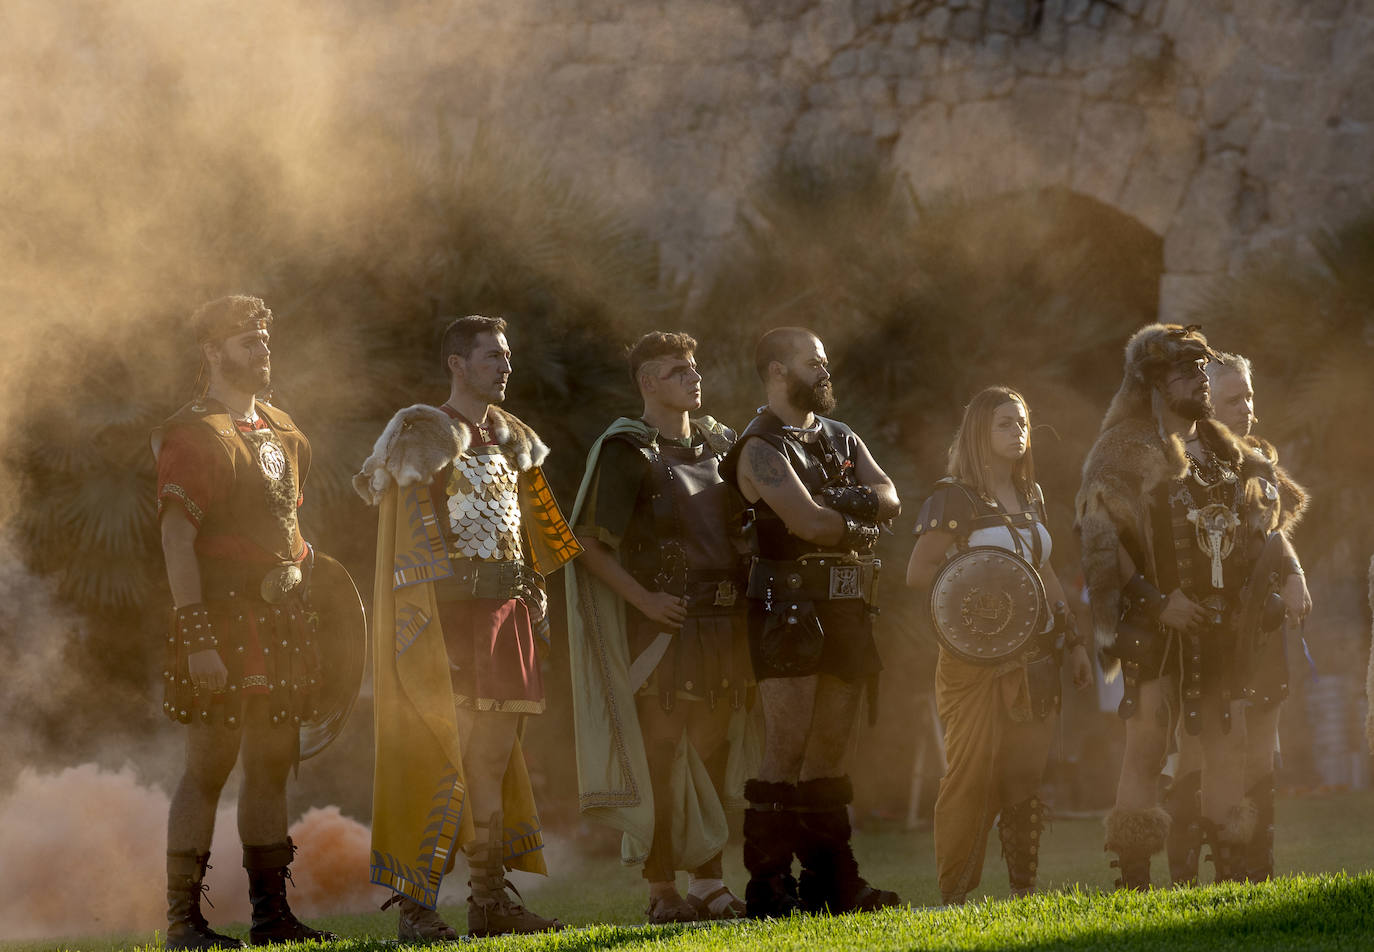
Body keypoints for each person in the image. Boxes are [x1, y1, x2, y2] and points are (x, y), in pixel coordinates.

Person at [354, 315, 580, 939]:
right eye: (491, 356)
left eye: (507, 356)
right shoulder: (421, 433)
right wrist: (429, 615)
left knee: (492, 756)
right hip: (447, 621)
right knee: (434, 752)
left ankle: (488, 903)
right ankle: (417, 909)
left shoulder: (513, 437)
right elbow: (410, 535)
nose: (504, 366)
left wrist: (535, 595)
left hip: (506, 617)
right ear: (457, 363)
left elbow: (531, 535)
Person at [1076, 324, 1308, 888]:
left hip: (1221, 623)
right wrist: (1158, 604)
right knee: (1147, 748)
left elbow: (1268, 521)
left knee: (1225, 748)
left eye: (1204, 369)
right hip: (1155, 623)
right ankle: (1133, 884)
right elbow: (1100, 539)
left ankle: (1230, 879)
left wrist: (1285, 574)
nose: (1201, 380)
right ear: (1153, 382)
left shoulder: (1224, 447)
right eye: (1187, 371)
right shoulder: (1125, 446)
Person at [152, 294, 336, 948]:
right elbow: (177, 540)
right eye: (246, 339)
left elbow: (289, 523)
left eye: (265, 335)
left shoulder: (283, 427)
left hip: (282, 619)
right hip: (221, 621)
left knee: (270, 764)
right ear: (211, 351)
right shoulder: (194, 432)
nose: (261, 347)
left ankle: (271, 917)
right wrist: (197, 638)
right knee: (208, 766)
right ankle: (184, 924)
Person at [566, 331, 757, 923]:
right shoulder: (626, 450)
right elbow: (589, 545)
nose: (694, 378)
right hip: (664, 629)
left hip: (724, 622)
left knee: (714, 750)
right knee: (663, 749)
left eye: (694, 368)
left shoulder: (722, 444)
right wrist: (646, 602)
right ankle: (661, 892)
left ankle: (709, 884)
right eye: (679, 370)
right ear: (648, 382)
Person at [718, 326, 902, 918]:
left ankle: (832, 881)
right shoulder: (759, 446)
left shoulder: (839, 436)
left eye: (824, 361)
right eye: (812, 363)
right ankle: (769, 888)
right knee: (787, 748)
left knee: (829, 750)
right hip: (786, 610)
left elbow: (891, 495)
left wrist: (840, 508)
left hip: (847, 606)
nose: (825, 371)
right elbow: (808, 524)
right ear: (777, 371)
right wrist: (858, 515)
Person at [906, 387, 1093, 904]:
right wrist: (983, 595)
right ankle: (954, 895)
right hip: (974, 663)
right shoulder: (953, 498)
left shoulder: (1029, 495)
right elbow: (920, 573)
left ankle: (1023, 890)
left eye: (1023, 423)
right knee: (970, 775)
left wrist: (1074, 640)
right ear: (978, 434)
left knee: (1024, 776)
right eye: (1005, 424)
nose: (1019, 432)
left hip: (1037, 657)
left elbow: (1045, 571)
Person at [1163, 351, 1309, 884]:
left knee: (1260, 754)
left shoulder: (1257, 463)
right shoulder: (1175, 464)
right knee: (1203, 753)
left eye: (1249, 395)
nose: (1247, 407)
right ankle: (1186, 878)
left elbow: (1271, 533)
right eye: (1233, 398)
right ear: (1205, 403)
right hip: (1201, 629)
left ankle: (1255, 874)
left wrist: (1294, 574)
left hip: (1261, 624)